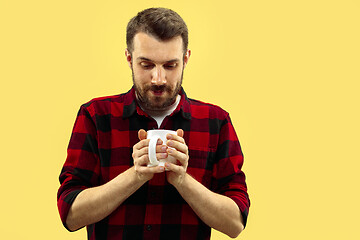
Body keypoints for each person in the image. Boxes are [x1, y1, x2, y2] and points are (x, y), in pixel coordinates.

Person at [57, 7, 250, 240]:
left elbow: (235, 223)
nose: (158, 79)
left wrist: (182, 180)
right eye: (146, 65)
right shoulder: (96, 116)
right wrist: (135, 176)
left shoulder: (216, 121)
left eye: (170, 65)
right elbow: (70, 214)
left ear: (186, 59)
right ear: (129, 58)